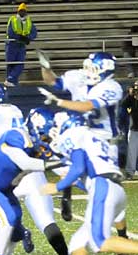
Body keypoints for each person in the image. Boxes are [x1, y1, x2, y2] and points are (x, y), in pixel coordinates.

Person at [0, 82, 73, 255]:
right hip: (32, 171)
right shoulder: (14, 111)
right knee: (44, 221)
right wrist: (66, 197)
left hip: (5, 174)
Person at [42, 112, 138, 255]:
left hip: (102, 186)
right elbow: (78, 168)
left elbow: (77, 168)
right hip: (112, 187)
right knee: (78, 241)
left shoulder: (73, 135)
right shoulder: (92, 136)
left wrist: (57, 187)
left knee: (100, 241)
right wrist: (66, 197)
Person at [38, 51, 124, 221]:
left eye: (93, 68)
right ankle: (66, 194)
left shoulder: (112, 87)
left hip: (105, 140)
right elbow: (52, 81)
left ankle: (121, 234)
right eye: (88, 67)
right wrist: (45, 67)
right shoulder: (79, 77)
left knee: (110, 187)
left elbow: (88, 106)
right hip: (82, 133)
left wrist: (60, 102)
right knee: (68, 164)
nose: (88, 72)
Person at [4, 3, 37, 87]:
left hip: (21, 46)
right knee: (11, 64)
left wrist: (28, 38)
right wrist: (22, 38)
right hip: (12, 45)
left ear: (26, 12)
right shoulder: (13, 19)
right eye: (20, 11)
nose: (22, 12)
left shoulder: (28, 21)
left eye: (23, 11)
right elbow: (10, 32)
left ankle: (10, 79)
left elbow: (34, 33)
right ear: (18, 11)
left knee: (20, 64)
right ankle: (11, 82)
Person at [120, 81, 138, 179]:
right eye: (136, 87)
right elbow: (123, 104)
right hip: (134, 129)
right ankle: (130, 172)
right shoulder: (131, 99)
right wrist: (130, 95)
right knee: (132, 152)